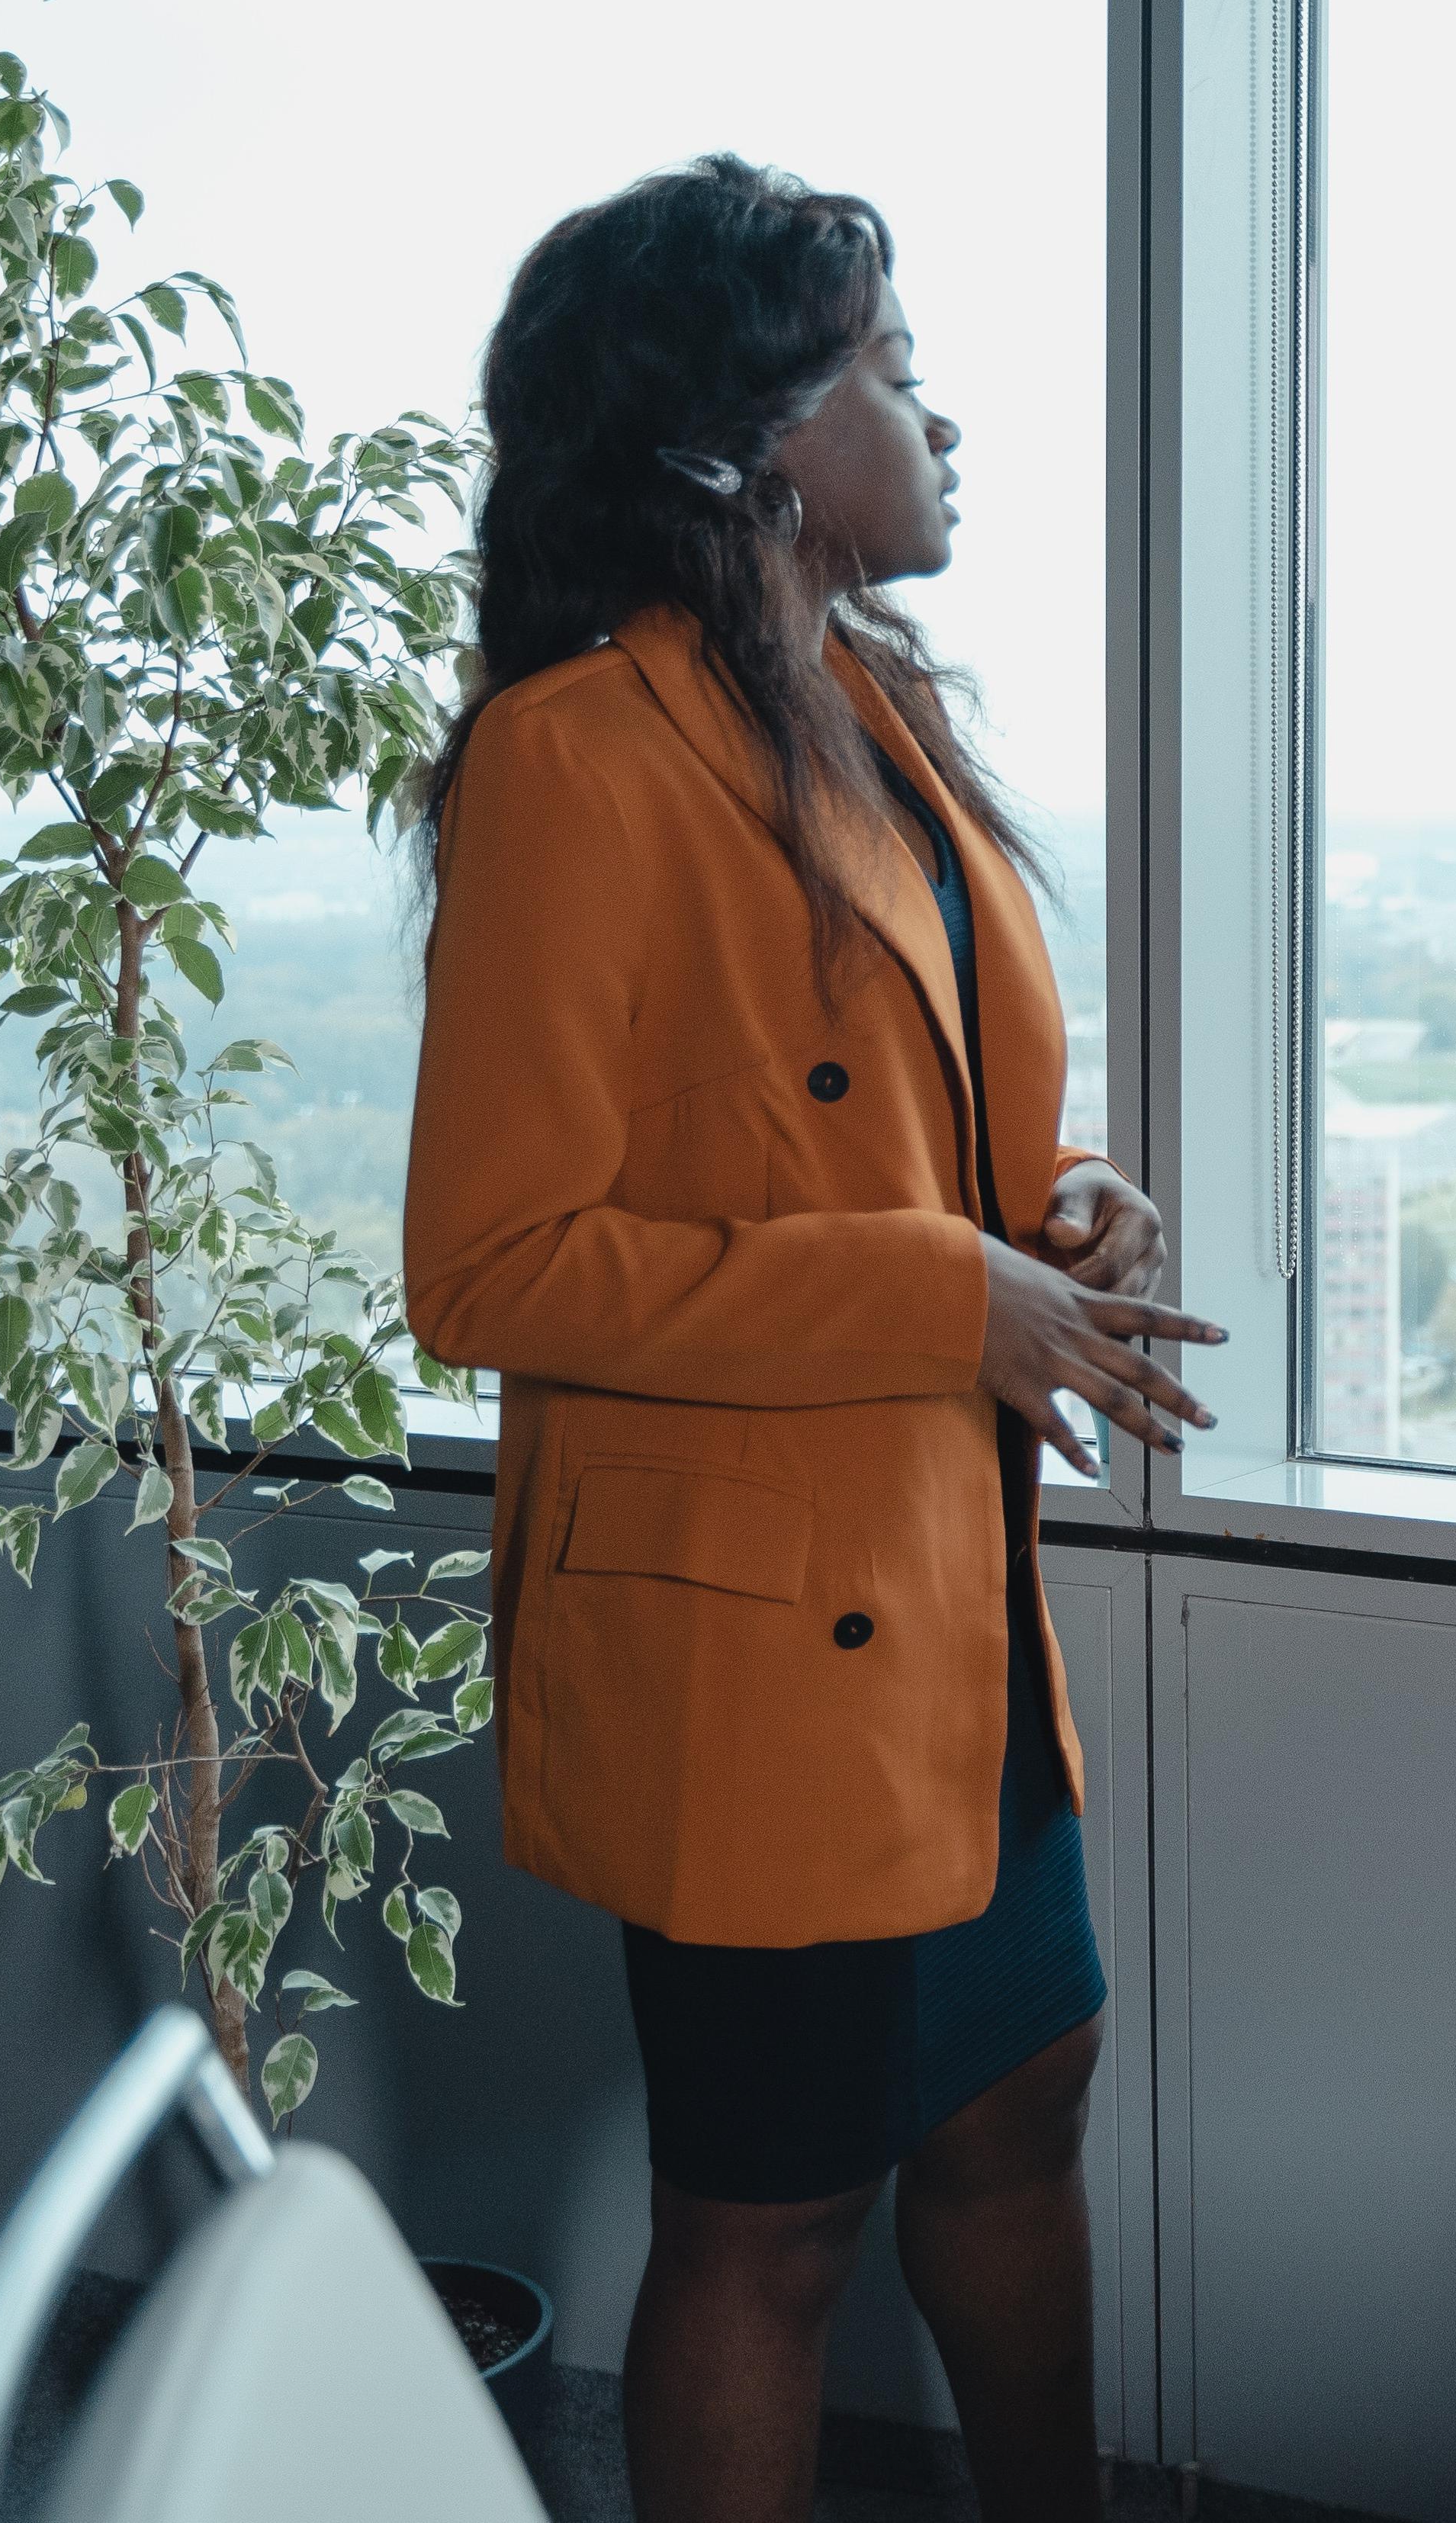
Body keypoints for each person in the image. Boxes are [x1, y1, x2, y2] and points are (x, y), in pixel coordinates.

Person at [407, 156, 1212, 2523]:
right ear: (744, 443)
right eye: (884, 362)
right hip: (771, 1640)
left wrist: (1053, 1220)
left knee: (1015, 2113)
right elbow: (498, 1265)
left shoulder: (870, 709)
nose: (934, 406)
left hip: (954, 1606)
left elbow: (891, 1134)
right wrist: (945, 1290)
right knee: (768, 2235)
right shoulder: (575, 758)